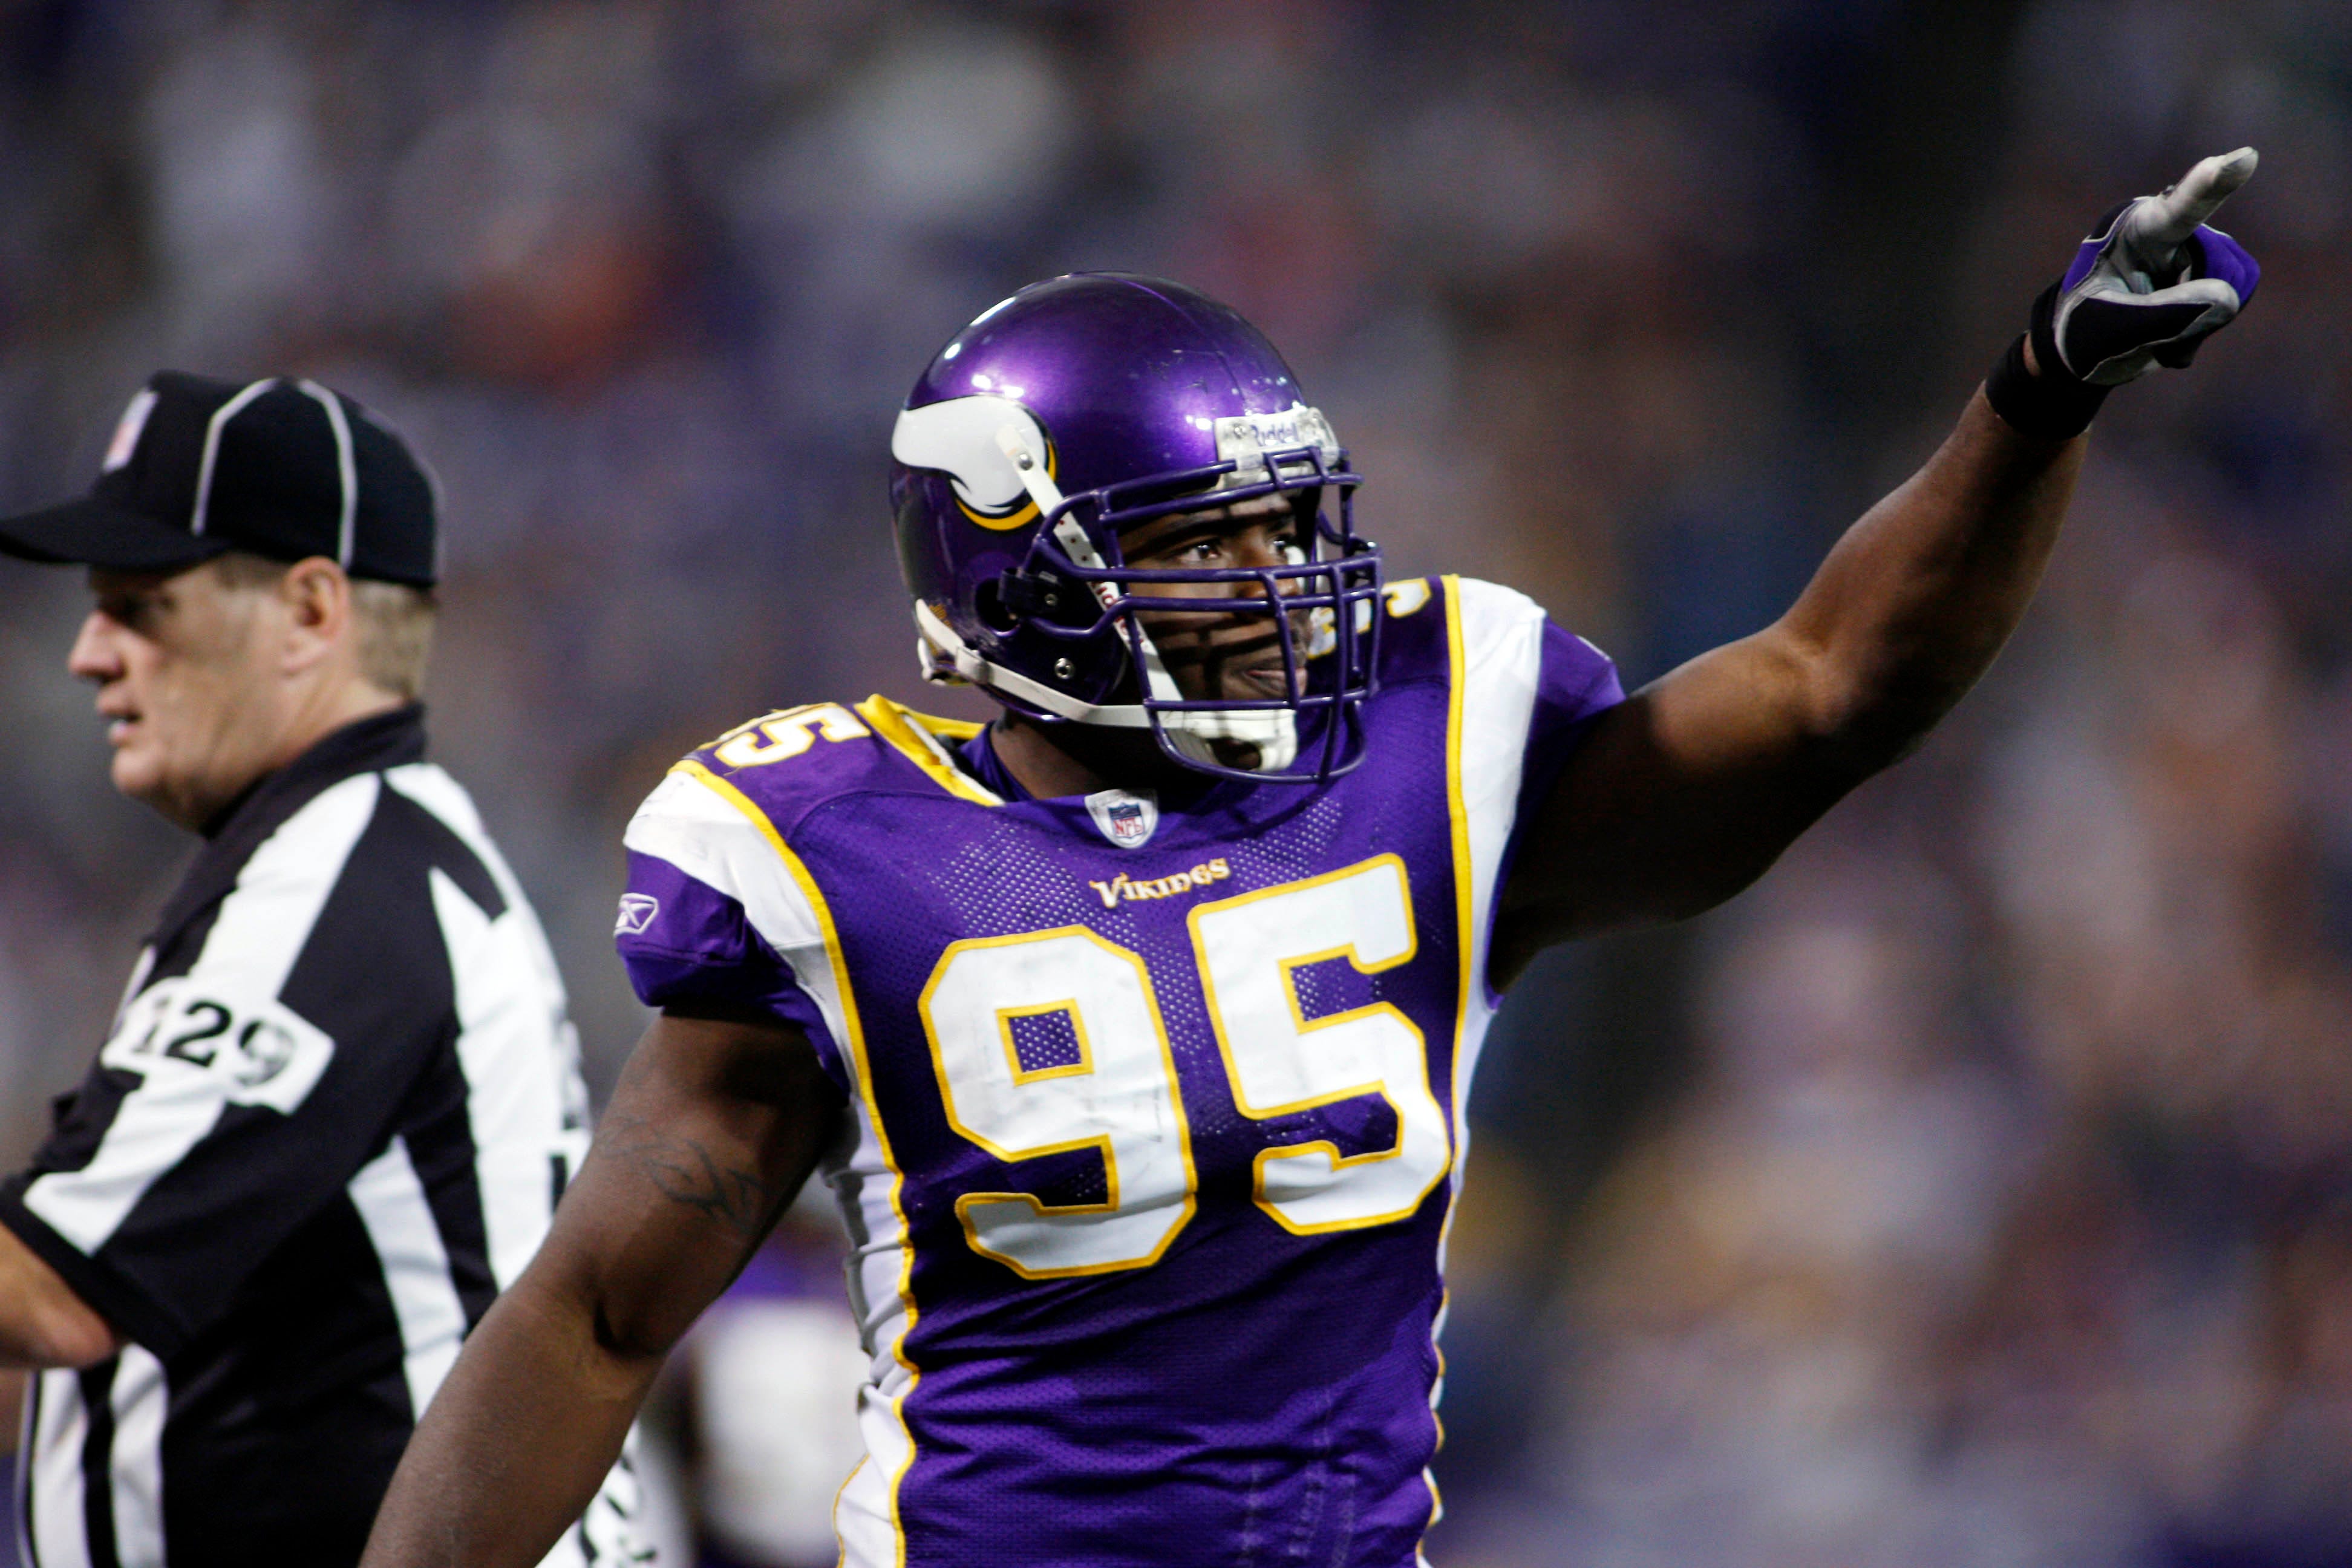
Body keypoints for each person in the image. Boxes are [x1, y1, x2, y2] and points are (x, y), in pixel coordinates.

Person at [362, 152, 2261, 1568]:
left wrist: (2039, 396)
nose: (1284, 588)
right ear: (1012, 566)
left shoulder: (1424, 751)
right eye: (1213, 542)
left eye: (1291, 529)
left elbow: (1836, 688)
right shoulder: (832, 848)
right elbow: (597, 1314)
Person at [0, 373, 645, 1567]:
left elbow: (50, 1294)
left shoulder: (338, 879)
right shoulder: (368, 856)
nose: (91, 653)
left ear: (309, 612)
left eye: (143, 604)